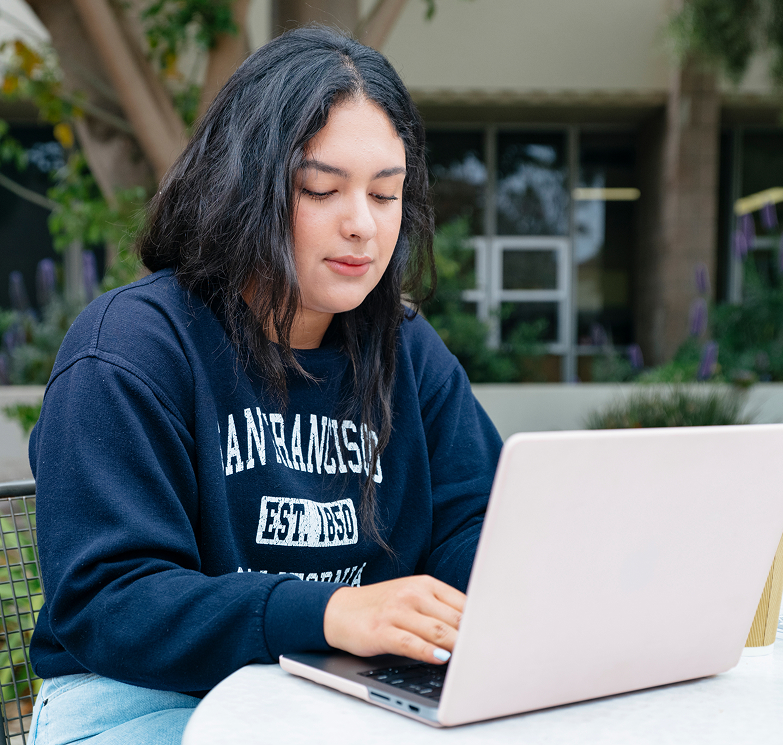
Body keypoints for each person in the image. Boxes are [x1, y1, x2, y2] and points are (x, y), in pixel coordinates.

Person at [26, 25, 502, 745]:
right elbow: (110, 600)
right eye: (321, 189)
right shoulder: (128, 350)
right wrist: (330, 612)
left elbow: (473, 525)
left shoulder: (405, 348)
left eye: (385, 194)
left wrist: (503, 596)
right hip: (143, 700)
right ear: (242, 185)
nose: (362, 227)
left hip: (341, 693)